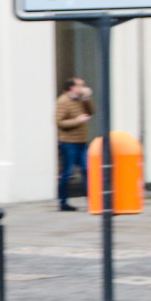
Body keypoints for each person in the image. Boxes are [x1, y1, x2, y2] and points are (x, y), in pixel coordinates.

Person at [55, 76, 94, 212]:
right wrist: (77, 120)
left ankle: (92, 201)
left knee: (87, 170)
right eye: (80, 85)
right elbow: (59, 122)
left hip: (82, 141)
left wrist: (87, 98)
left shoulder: (81, 100)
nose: (83, 88)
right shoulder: (63, 101)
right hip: (68, 142)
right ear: (72, 87)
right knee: (67, 173)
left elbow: (91, 112)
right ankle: (63, 202)